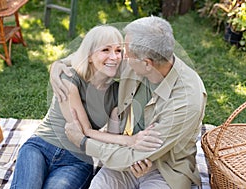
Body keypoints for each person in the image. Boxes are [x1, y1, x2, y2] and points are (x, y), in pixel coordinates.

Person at [51, 16, 207, 189]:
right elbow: (95, 57)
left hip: (166, 170)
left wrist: (83, 142)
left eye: (125, 53)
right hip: (123, 156)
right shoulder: (141, 60)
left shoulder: (186, 101)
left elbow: (139, 155)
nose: (120, 57)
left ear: (147, 64)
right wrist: (58, 65)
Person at [10, 25, 161, 189]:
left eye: (118, 51)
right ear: (89, 56)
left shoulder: (118, 92)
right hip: (41, 146)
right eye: (105, 50)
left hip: (77, 160)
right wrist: (131, 140)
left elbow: (112, 136)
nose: (114, 57)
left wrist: (129, 151)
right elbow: (83, 131)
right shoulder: (69, 77)